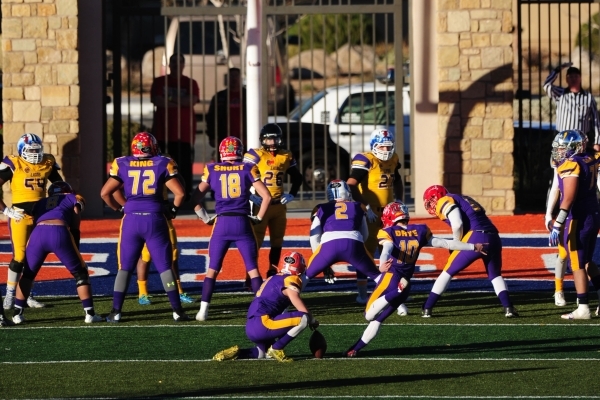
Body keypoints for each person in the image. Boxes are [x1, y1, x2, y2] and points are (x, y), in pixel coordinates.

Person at [345, 201, 487, 357]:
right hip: (406, 284)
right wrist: (473, 247)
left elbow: (387, 249)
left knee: (369, 315)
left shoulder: (388, 231)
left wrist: (382, 263)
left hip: (391, 279)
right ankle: (355, 348)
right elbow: (444, 243)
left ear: (390, 216)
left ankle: (396, 291)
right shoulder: (419, 230)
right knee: (378, 320)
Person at [100, 132, 189, 322]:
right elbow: (180, 193)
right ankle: (177, 311)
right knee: (165, 267)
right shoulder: (162, 163)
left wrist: (120, 208)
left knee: (125, 268)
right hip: (155, 218)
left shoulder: (122, 163)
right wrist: (172, 210)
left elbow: (105, 193)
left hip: (131, 219)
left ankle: (116, 312)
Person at [192, 136, 272, 321]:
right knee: (253, 270)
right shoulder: (247, 168)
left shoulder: (212, 168)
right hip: (242, 222)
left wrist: (205, 218)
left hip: (221, 223)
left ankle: (203, 311)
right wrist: (258, 218)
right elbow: (266, 196)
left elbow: (194, 199)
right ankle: (263, 310)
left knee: (212, 269)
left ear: (222, 152)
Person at [11, 182, 102, 324]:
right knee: (81, 273)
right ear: (67, 191)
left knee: (28, 274)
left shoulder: (41, 202)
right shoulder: (73, 197)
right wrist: (75, 247)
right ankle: (90, 314)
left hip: (38, 234)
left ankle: (17, 314)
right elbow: (75, 225)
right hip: (59, 231)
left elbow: (36, 220)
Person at [422, 184, 518, 318]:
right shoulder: (463, 198)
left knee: (448, 271)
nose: (431, 205)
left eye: (432, 201)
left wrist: (456, 243)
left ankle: (427, 307)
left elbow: (457, 224)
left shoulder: (445, 200)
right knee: (495, 275)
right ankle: (508, 307)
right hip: (494, 237)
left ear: (438, 196)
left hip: (475, 236)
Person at [212, 251, 319, 362]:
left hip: (251, 325)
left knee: (262, 354)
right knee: (303, 318)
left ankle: (237, 353)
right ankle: (277, 348)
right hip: (264, 322)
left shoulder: (272, 278)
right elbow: (299, 306)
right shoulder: (291, 279)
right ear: (299, 268)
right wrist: (312, 319)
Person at [0, 133, 63, 310]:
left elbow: (60, 187)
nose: (35, 154)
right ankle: (10, 294)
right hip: (20, 215)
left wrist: (57, 202)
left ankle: (27, 295)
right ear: (22, 150)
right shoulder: (14, 163)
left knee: (33, 258)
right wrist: (6, 210)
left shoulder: (47, 162)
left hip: (40, 215)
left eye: (37, 150)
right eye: (31, 150)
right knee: (19, 257)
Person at [346, 128, 404, 304]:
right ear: (374, 146)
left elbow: (398, 180)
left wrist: (400, 199)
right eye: (382, 147)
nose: (386, 151)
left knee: (392, 253)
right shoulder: (366, 159)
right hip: (369, 215)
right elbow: (351, 184)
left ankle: (394, 292)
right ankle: (363, 294)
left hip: (389, 215)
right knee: (366, 254)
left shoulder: (394, 159)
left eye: (388, 147)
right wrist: (365, 206)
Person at [548, 130, 600, 319]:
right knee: (586, 261)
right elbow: (596, 149)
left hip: (579, 218)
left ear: (574, 147)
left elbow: (568, 198)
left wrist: (557, 223)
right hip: (593, 213)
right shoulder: (590, 157)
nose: (559, 151)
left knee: (577, 263)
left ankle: (583, 307)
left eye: (562, 147)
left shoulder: (572, 164)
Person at [244, 123, 304, 279]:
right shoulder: (255, 155)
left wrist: (292, 194)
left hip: (279, 206)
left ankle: (272, 271)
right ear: (263, 140)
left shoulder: (285, 155)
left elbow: (298, 177)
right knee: (255, 242)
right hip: (260, 205)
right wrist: (250, 195)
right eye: (269, 139)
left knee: (277, 241)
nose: (272, 142)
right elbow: (242, 177)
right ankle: (249, 275)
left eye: (275, 139)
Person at [305, 180, 380, 288]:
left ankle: (284, 301)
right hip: (353, 244)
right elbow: (365, 234)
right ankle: (367, 297)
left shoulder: (319, 208)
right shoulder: (359, 206)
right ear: (346, 192)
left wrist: (323, 263)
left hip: (328, 246)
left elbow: (314, 237)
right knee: (378, 277)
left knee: (305, 277)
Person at [150, 53, 200, 197]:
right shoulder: (160, 82)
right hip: (162, 132)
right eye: (173, 62)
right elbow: (158, 100)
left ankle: (186, 196)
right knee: (160, 166)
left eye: (179, 62)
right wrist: (181, 101)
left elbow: (191, 100)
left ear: (184, 65)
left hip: (184, 133)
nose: (176, 65)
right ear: (169, 64)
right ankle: (158, 195)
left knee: (184, 167)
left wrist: (169, 99)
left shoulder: (191, 83)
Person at [543, 63, 600, 152]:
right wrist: (557, 70)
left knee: (579, 165)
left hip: (581, 141)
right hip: (562, 141)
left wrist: (597, 142)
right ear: (566, 79)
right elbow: (546, 85)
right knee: (562, 165)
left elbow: (595, 121)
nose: (573, 79)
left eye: (576, 76)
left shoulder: (588, 97)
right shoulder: (560, 93)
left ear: (580, 78)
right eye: (570, 76)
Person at [206, 67, 247, 149]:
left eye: (236, 76)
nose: (234, 78)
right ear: (227, 78)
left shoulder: (247, 95)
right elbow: (211, 118)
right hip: (224, 141)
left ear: (240, 78)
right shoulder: (219, 97)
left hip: (245, 140)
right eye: (231, 76)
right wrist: (212, 137)